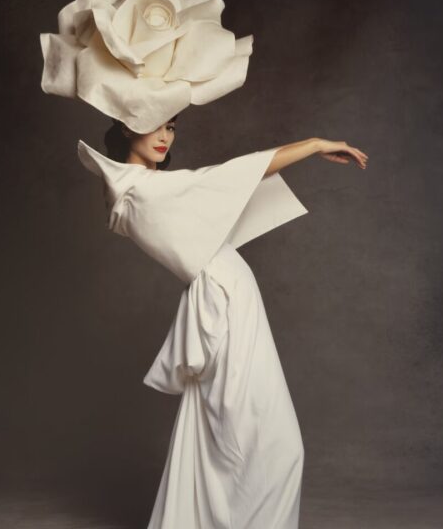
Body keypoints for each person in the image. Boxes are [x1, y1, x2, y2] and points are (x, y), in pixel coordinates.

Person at [77, 116, 368, 529]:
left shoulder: (140, 187)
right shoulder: (140, 189)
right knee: (280, 448)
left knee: (217, 441)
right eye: (155, 125)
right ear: (126, 127)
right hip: (224, 306)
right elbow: (235, 174)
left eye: (171, 127)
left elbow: (223, 182)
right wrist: (315, 144)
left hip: (226, 300)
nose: (164, 137)